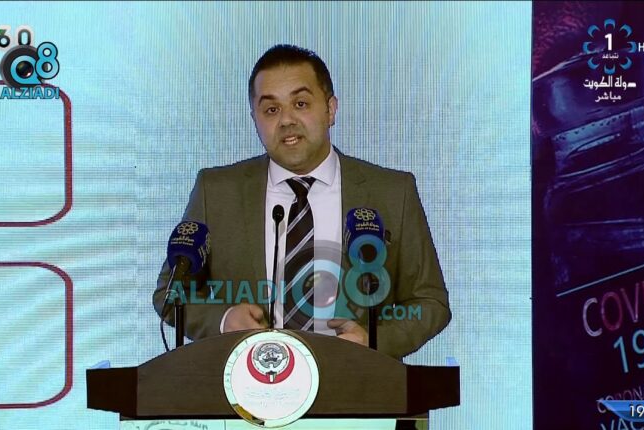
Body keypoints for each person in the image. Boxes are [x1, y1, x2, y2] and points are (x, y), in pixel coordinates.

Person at [154, 44, 450, 359]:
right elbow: (170, 295)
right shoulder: (216, 192)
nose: (286, 120)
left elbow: (430, 302)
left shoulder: (392, 192)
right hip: (251, 381)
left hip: (357, 380)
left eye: (300, 103)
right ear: (254, 118)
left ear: (330, 109)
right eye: (271, 109)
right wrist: (225, 320)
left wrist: (373, 342)